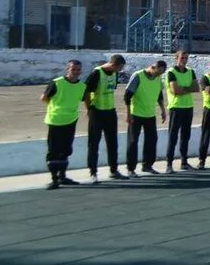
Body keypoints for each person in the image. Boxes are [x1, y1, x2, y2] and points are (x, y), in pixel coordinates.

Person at [42, 59, 87, 189]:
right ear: (68, 69)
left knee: (66, 149)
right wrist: (55, 107)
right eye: (73, 69)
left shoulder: (82, 86)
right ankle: (54, 178)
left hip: (71, 120)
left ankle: (63, 176)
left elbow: (82, 99)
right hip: (55, 120)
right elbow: (44, 98)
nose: (76, 72)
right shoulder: (57, 83)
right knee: (53, 150)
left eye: (78, 70)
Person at [84, 53, 126, 182]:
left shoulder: (114, 74)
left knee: (112, 142)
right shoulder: (96, 73)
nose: (120, 71)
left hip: (110, 112)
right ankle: (93, 172)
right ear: (113, 65)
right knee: (94, 143)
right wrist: (89, 108)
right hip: (97, 112)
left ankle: (113, 170)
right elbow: (86, 92)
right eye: (119, 68)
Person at [125, 60, 168, 176]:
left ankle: (147, 165)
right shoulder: (138, 76)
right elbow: (127, 95)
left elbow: (159, 95)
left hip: (150, 114)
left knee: (152, 140)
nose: (159, 75)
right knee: (133, 141)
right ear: (153, 67)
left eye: (161, 73)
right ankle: (131, 168)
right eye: (158, 72)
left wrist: (163, 110)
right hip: (136, 114)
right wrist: (128, 113)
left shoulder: (158, 79)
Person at [165, 50, 199, 172]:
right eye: (182, 58)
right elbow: (175, 91)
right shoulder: (171, 72)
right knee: (173, 136)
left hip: (188, 107)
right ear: (176, 59)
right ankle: (169, 164)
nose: (184, 60)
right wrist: (187, 89)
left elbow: (196, 88)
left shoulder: (190, 71)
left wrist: (183, 89)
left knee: (185, 136)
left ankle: (184, 162)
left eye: (186, 58)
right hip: (176, 107)